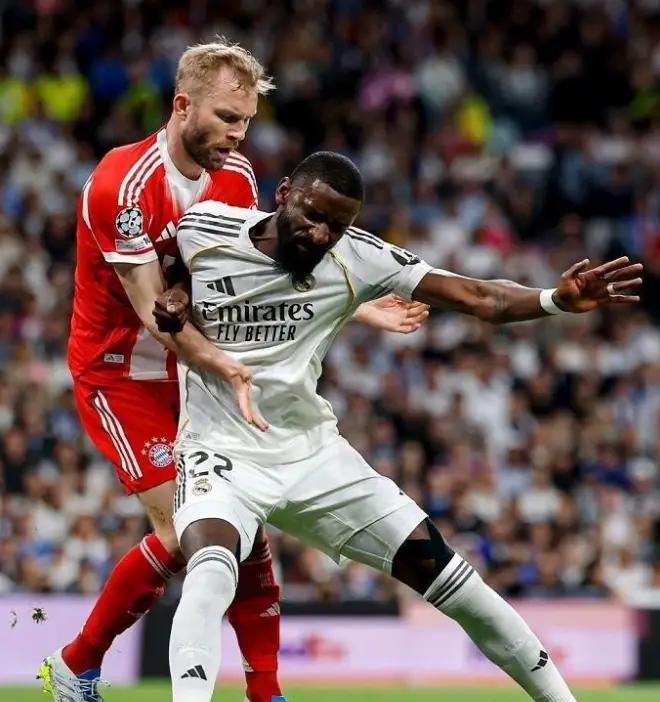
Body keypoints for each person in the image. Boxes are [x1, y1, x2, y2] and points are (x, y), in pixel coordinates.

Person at [165, 151, 643, 702]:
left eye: (336, 225)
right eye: (313, 215)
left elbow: (479, 296)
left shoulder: (358, 256)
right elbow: (166, 268)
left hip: (311, 455)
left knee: (452, 578)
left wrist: (553, 300)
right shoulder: (205, 227)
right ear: (284, 193)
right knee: (209, 572)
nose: (321, 235)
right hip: (219, 451)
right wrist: (176, 293)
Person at [39, 42, 428, 702]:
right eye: (225, 117)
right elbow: (154, 313)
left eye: (245, 121)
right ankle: (75, 665)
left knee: (238, 521)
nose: (237, 134)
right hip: (121, 372)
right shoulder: (121, 187)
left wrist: (359, 307)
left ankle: (265, 692)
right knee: (180, 534)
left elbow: (258, 275)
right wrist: (227, 366)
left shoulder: (238, 176)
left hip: (191, 368)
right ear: (181, 105)